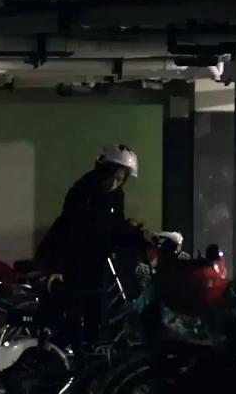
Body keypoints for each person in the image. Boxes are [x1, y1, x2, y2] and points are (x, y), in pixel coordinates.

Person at [36, 144, 151, 339]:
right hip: (72, 259)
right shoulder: (82, 191)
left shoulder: (116, 196)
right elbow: (69, 230)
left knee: (98, 311)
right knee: (76, 312)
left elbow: (114, 227)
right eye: (111, 177)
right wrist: (58, 268)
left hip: (96, 261)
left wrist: (140, 234)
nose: (114, 184)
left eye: (120, 180)